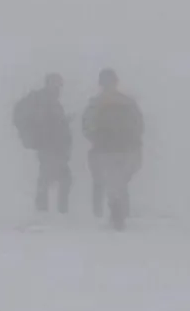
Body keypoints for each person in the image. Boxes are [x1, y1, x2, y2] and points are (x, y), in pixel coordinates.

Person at [82, 68, 144, 230]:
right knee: (120, 181)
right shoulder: (128, 102)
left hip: (104, 148)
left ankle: (115, 213)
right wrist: (135, 143)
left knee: (111, 181)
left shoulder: (95, 103)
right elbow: (139, 125)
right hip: (127, 147)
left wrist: (96, 140)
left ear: (101, 83)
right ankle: (121, 213)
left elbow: (87, 127)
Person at [12, 73, 74, 213]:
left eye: (60, 84)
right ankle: (53, 211)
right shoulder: (45, 100)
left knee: (50, 177)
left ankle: (46, 211)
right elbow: (50, 123)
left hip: (51, 145)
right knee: (58, 178)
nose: (59, 87)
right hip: (49, 144)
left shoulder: (50, 100)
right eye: (57, 83)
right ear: (49, 83)